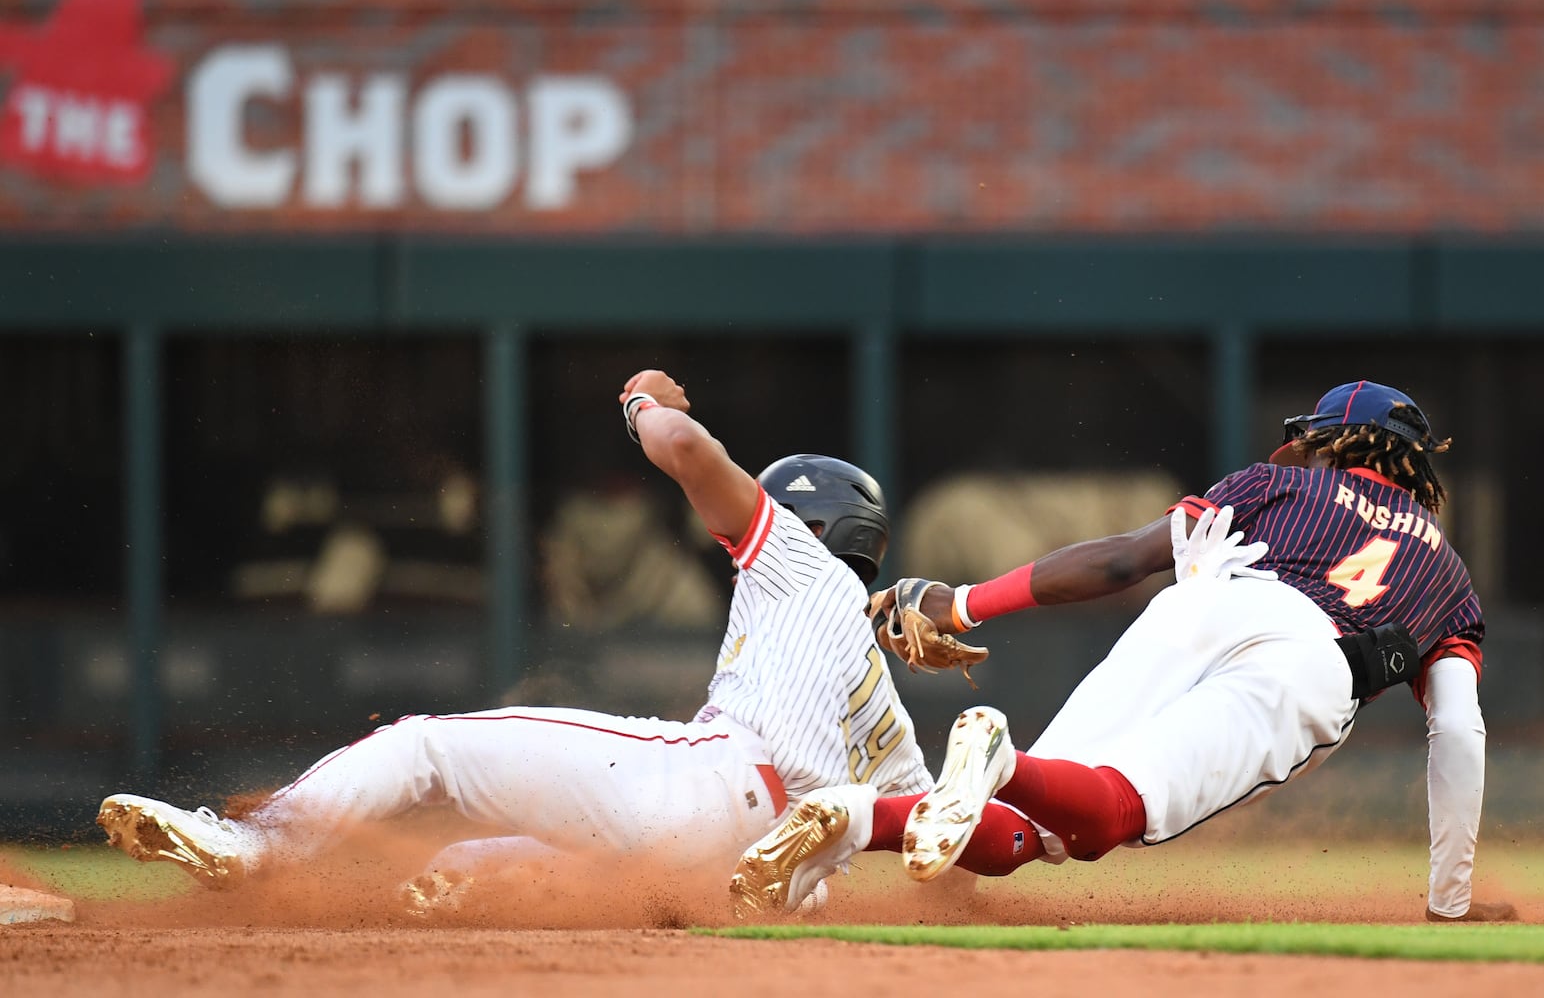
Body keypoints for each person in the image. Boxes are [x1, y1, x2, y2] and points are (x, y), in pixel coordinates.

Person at [97, 369, 934, 912]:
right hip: (747, 876)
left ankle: (255, 844)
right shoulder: (872, 678)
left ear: (809, 523)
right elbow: (937, 829)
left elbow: (682, 448)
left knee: (426, 747)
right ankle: (450, 891)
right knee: (488, 857)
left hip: (711, 783)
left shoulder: (791, 558)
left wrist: (646, 402)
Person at [732, 380, 1516, 923]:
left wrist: (961, 602)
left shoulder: (1268, 487)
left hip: (1204, 597)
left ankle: (852, 817)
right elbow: (1458, 731)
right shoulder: (1449, 580)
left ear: (1333, 443)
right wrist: (1449, 902)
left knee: (1018, 834)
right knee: (1105, 816)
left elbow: (1120, 561)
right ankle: (999, 756)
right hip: (1307, 664)